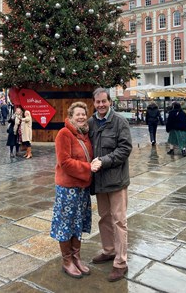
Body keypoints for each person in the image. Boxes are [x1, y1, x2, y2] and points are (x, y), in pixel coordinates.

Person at [50, 102, 100, 279]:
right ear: (70, 116)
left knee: (77, 223)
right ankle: (67, 261)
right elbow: (64, 162)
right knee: (65, 224)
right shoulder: (64, 134)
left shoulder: (85, 135)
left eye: (83, 114)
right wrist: (88, 167)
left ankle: (76, 257)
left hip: (82, 188)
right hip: (68, 188)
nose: (81, 117)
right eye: (77, 114)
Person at [88, 87, 132, 283]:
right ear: (94, 103)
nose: (100, 105)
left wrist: (104, 161)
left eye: (103, 101)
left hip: (116, 180)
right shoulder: (90, 122)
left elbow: (125, 149)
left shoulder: (119, 121)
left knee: (119, 221)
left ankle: (121, 262)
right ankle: (108, 250)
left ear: (109, 102)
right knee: (104, 217)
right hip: (99, 181)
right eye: (97, 102)